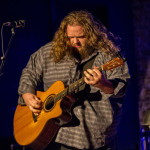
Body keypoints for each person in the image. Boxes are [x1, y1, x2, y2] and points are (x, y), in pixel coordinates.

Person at [17, 10, 130, 150]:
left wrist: (103, 84)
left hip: (93, 135)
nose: (75, 41)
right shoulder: (48, 52)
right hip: (54, 134)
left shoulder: (109, 55)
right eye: (70, 37)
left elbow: (122, 87)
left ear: (92, 34)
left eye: (81, 37)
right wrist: (27, 95)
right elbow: (29, 73)